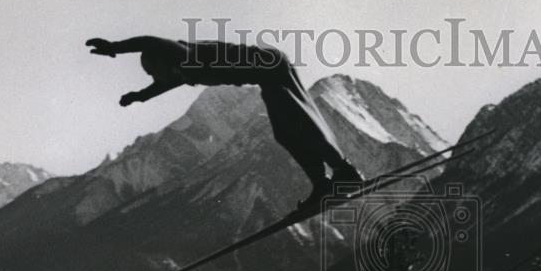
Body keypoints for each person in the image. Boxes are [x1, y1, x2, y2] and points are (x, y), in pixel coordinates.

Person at [85, 36, 363, 206]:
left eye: (158, 72)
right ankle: (323, 184)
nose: (164, 79)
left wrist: (115, 47)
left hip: (271, 66)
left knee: (299, 124)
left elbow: (149, 41)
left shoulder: (183, 54)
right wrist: (139, 96)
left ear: (166, 61)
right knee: (286, 134)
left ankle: (345, 173)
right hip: (266, 75)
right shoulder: (178, 72)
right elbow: (165, 83)